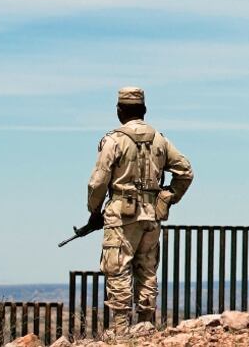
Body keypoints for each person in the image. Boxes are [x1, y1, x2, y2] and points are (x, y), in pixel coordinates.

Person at [87, 86, 193, 333]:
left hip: (121, 216)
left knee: (118, 268)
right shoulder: (160, 140)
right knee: (147, 269)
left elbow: (98, 181)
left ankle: (122, 331)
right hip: (152, 216)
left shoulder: (114, 140)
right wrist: (167, 198)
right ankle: (146, 328)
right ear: (144, 110)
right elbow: (185, 171)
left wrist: (94, 211)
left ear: (119, 110)